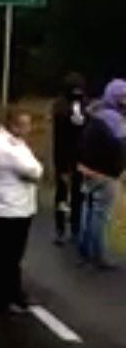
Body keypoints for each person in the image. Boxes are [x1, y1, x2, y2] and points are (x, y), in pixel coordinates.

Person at [0, 108, 43, 315]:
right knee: (7, 256)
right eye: (25, 125)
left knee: (13, 255)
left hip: (19, 205)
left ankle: (15, 293)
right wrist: (35, 171)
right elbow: (33, 170)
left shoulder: (12, 142)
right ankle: (1, 298)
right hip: (11, 208)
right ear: (13, 126)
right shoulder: (7, 148)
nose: (29, 129)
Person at [77, 78, 126, 267]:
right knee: (101, 214)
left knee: (88, 209)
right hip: (106, 172)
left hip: (88, 169)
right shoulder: (114, 119)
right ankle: (98, 254)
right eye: (123, 96)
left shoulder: (95, 114)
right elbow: (122, 145)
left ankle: (85, 249)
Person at [51, 73, 86, 244]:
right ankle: (62, 228)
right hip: (66, 156)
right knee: (63, 194)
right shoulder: (61, 108)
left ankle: (74, 227)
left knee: (77, 194)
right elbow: (59, 139)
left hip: (79, 157)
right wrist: (60, 165)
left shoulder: (83, 106)